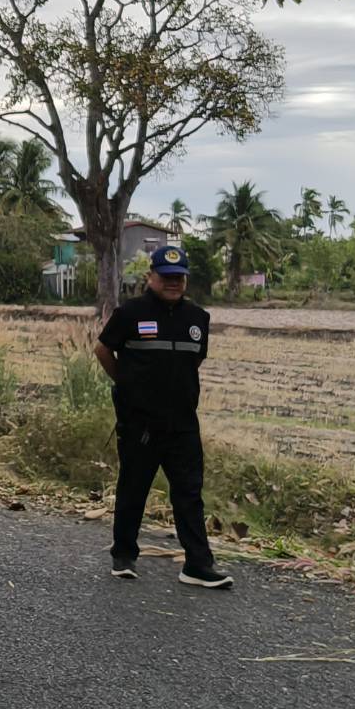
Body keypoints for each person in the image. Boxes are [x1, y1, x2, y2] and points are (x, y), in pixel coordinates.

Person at [95, 245, 232, 588]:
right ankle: (124, 555)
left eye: (179, 278)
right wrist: (127, 385)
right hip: (140, 423)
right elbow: (102, 349)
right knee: (134, 488)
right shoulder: (130, 313)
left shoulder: (198, 319)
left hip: (182, 423)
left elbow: (194, 361)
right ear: (150, 277)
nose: (173, 283)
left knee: (189, 493)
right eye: (166, 276)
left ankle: (197, 565)